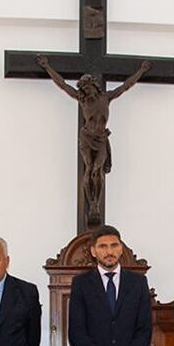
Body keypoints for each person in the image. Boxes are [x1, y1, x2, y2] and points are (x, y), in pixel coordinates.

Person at [36, 55, 151, 226]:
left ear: (94, 86)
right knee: (89, 169)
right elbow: (62, 84)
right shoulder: (82, 100)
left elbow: (126, 86)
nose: (87, 91)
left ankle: (95, 204)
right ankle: (92, 205)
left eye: (88, 87)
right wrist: (47, 67)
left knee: (98, 170)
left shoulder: (106, 98)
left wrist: (141, 70)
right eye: (84, 88)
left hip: (101, 138)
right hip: (87, 137)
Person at [68, 225, 152, 346]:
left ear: (121, 249)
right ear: (93, 251)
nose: (109, 252)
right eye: (103, 246)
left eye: (114, 246)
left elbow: (144, 329)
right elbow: (76, 332)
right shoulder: (81, 284)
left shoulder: (138, 282)